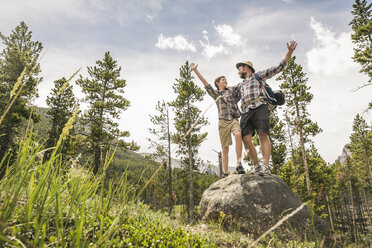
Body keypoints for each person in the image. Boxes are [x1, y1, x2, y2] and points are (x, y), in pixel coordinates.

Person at [235, 41, 297, 176]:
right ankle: (256, 166)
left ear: (246, 68)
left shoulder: (258, 76)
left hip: (260, 106)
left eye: (239, 68)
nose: (238, 71)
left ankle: (265, 165)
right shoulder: (239, 85)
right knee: (246, 139)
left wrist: (289, 52)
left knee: (263, 134)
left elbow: (278, 67)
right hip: (245, 111)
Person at [190, 63, 245, 178]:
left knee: (238, 135)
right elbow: (205, 83)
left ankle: (239, 163)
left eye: (226, 79)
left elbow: (242, 84)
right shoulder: (216, 94)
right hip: (223, 121)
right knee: (225, 148)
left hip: (234, 118)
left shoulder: (232, 90)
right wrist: (195, 70)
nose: (225, 81)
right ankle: (225, 173)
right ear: (217, 83)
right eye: (222, 79)